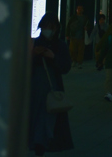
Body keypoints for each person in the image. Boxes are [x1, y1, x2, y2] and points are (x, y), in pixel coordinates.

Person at [28, 13, 74, 155]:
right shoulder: (34, 43)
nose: (48, 30)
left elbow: (66, 67)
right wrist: (33, 54)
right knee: (35, 116)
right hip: (35, 87)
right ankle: (37, 142)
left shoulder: (60, 45)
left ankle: (42, 143)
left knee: (47, 118)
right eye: (46, 26)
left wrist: (53, 57)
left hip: (51, 88)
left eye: (51, 27)